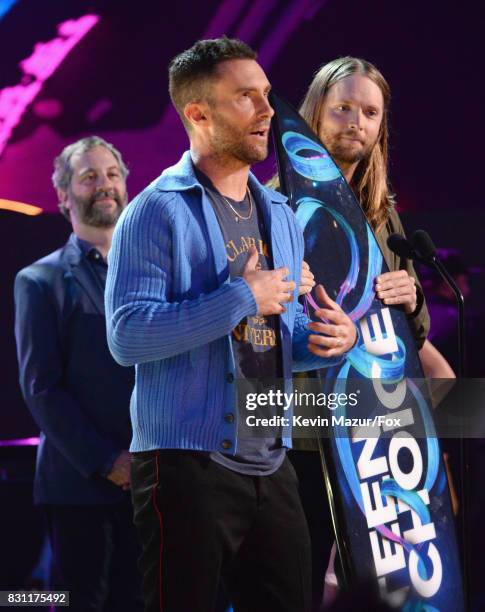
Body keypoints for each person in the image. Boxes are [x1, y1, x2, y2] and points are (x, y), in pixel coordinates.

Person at [105, 37, 357, 612]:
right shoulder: (155, 210)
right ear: (198, 113)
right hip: (184, 464)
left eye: (266, 95)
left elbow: (279, 337)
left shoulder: (281, 217)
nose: (268, 111)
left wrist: (331, 343)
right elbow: (128, 336)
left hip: (272, 458)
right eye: (246, 97)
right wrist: (241, 295)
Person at [274, 57, 459, 610]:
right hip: (302, 425)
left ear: (381, 127)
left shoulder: (382, 211)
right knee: (303, 575)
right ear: (314, 114)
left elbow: (412, 332)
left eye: (370, 112)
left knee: (377, 577)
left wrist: (413, 296)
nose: (356, 121)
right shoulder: (273, 201)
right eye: (343, 108)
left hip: (376, 422)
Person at [14, 136, 143, 611]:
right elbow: (40, 388)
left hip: (151, 481)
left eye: (112, 174)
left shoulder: (154, 273)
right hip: (78, 486)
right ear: (64, 195)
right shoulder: (38, 280)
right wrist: (110, 462)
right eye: (89, 177)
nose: (104, 185)